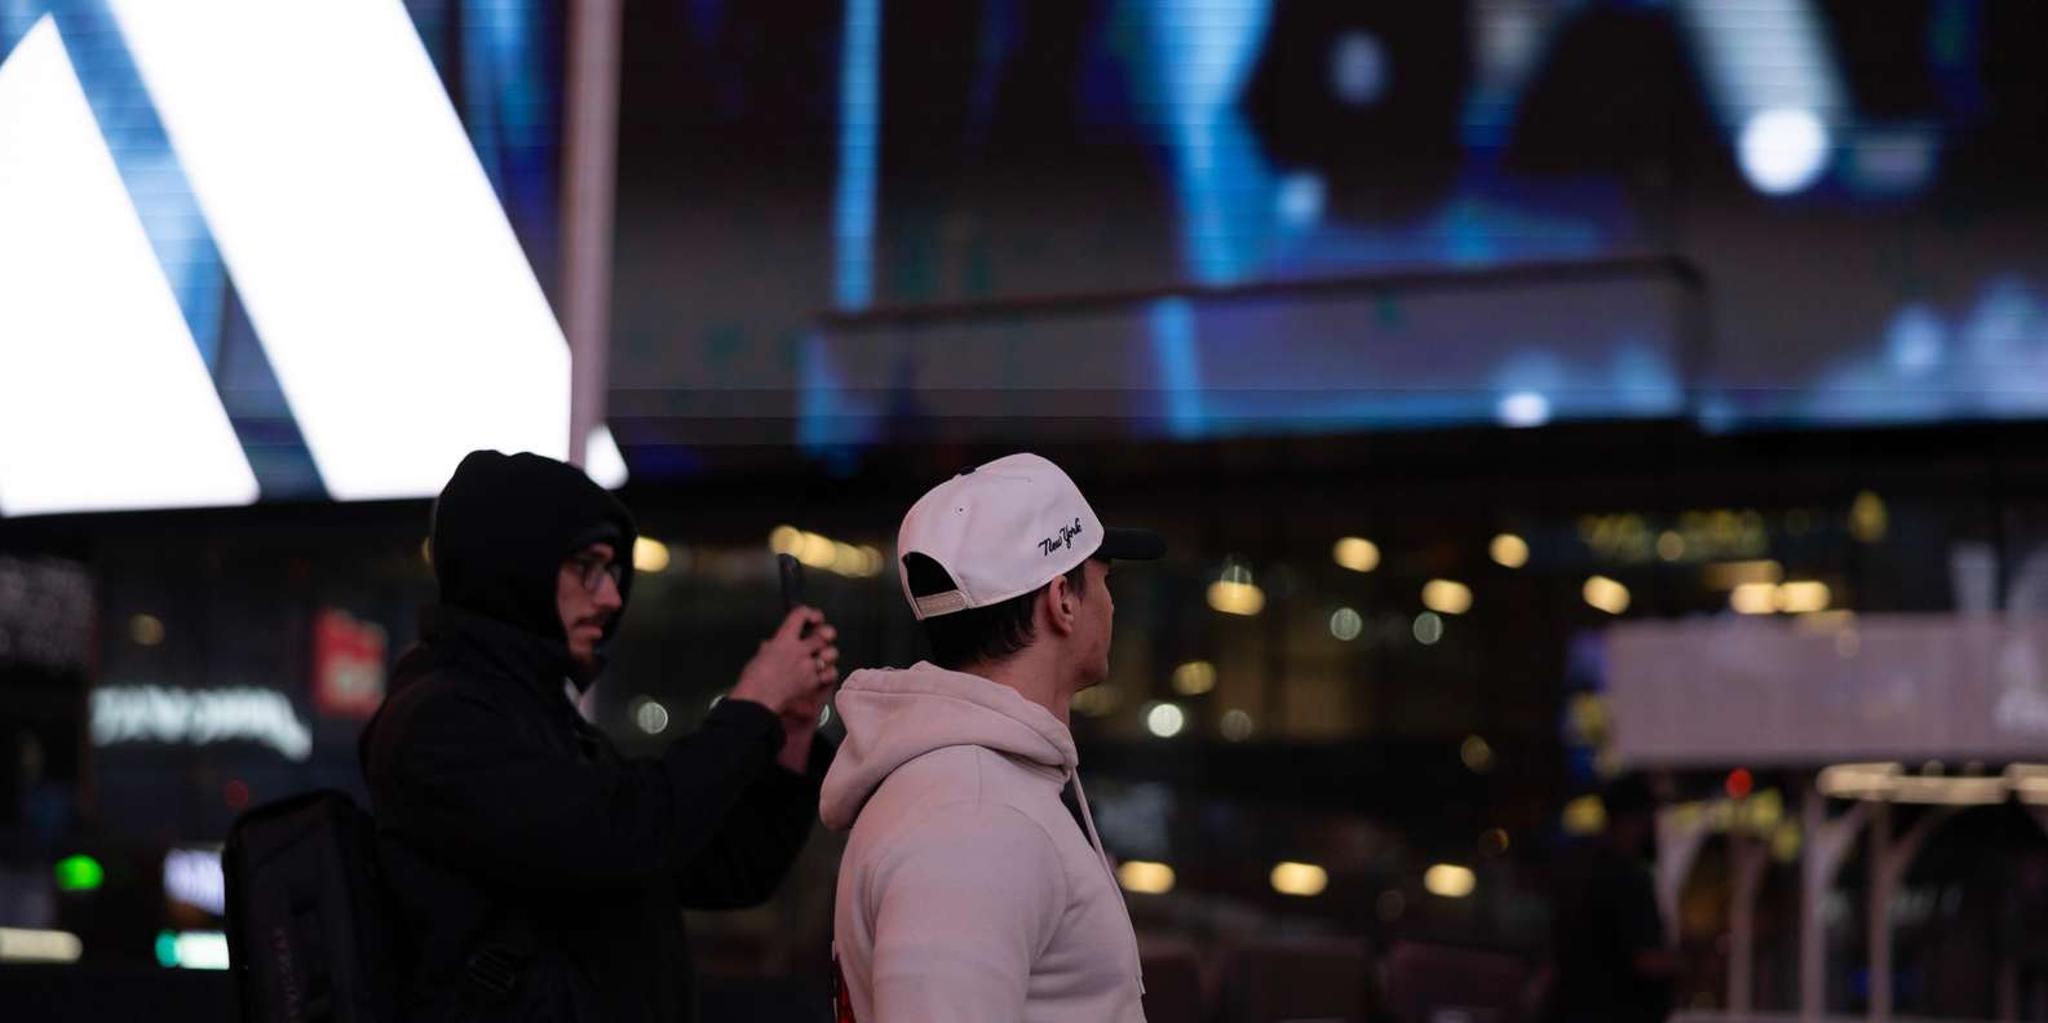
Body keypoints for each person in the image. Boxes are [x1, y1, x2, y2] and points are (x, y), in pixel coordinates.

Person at [360, 450, 840, 1022]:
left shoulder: (541, 721)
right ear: (514, 567)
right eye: (586, 566)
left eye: (612, 571)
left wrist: (788, 733)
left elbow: (727, 870)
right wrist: (755, 700)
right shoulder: (441, 723)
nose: (611, 597)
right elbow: (625, 835)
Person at [821, 452, 1165, 1022]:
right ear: (1063, 601)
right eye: (1105, 578)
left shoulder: (969, 791)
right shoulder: (974, 816)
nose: (1112, 601)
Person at [1548, 773, 1678, 1023]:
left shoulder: (1581, 869)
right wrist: (1687, 963)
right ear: (1633, 820)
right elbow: (1645, 959)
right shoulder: (1628, 878)